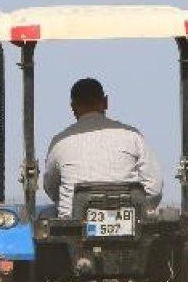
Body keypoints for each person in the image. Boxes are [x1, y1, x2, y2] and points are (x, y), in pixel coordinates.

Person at [43, 78, 163, 218]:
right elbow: (154, 186)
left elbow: (50, 187)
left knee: (45, 215)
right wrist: (139, 209)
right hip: (130, 222)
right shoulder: (132, 136)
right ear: (105, 102)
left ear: (73, 107)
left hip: (74, 226)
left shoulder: (60, 142)